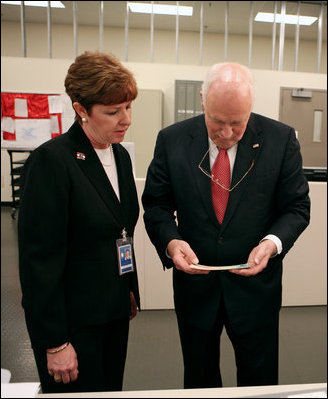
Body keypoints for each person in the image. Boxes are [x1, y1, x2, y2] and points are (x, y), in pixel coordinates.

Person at [142, 62, 310, 389]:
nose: (227, 134)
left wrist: (272, 243)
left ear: (251, 109)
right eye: (217, 121)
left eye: (238, 123)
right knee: (199, 379)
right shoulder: (172, 140)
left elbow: (297, 207)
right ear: (203, 100)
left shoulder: (280, 139)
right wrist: (172, 242)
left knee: (260, 380)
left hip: (256, 290)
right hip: (195, 288)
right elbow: (157, 205)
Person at [18, 51, 140, 393]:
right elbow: (38, 262)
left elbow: (120, 229)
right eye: (112, 112)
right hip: (74, 322)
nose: (125, 119)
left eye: (128, 107)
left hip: (113, 312)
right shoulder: (52, 162)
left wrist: (127, 287)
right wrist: (55, 342)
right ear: (81, 109)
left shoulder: (120, 155)